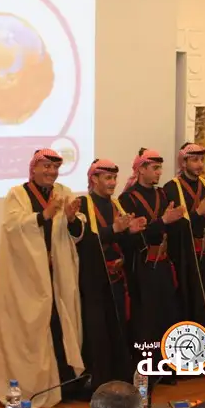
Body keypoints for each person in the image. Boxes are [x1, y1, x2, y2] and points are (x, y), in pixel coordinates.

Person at [0, 148, 86, 407]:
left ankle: (65, 387)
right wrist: (43, 216)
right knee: (35, 331)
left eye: (55, 167)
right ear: (33, 168)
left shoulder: (64, 193)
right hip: (29, 280)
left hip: (59, 277)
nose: (51, 172)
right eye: (46, 166)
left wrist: (71, 219)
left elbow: (78, 231)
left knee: (61, 328)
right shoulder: (17, 194)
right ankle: (33, 387)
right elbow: (12, 227)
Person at [76, 159, 145, 391]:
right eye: (108, 178)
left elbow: (125, 244)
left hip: (117, 280)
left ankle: (120, 382)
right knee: (98, 335)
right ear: (94, 179)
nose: (113, 183)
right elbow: (84, 241)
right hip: (94, 283)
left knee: (120, 331)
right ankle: (99, 385)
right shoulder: (83, 205)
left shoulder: (116, 205)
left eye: (115, 178)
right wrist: (114, 230)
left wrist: (131, 232)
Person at [119, 149, 183, 381]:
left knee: (167, 315)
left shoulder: (162, 194)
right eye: (154, 168)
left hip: (164, 264)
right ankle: (147, 371)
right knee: (146, 320)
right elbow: (134, 237)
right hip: (142, 267)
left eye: (160, 168)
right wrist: (163, 221)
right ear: (141, 169)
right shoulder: (127, 199)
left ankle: (166, 369)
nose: (158, 172)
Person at [163, 143, 205, 349]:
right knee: (192, 305)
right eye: (194, 160)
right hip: (187, 259)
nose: (200, 164)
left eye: (201, 160)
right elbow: (173, 228)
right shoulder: (171, 188)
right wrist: (198, 213)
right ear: (183, 162)